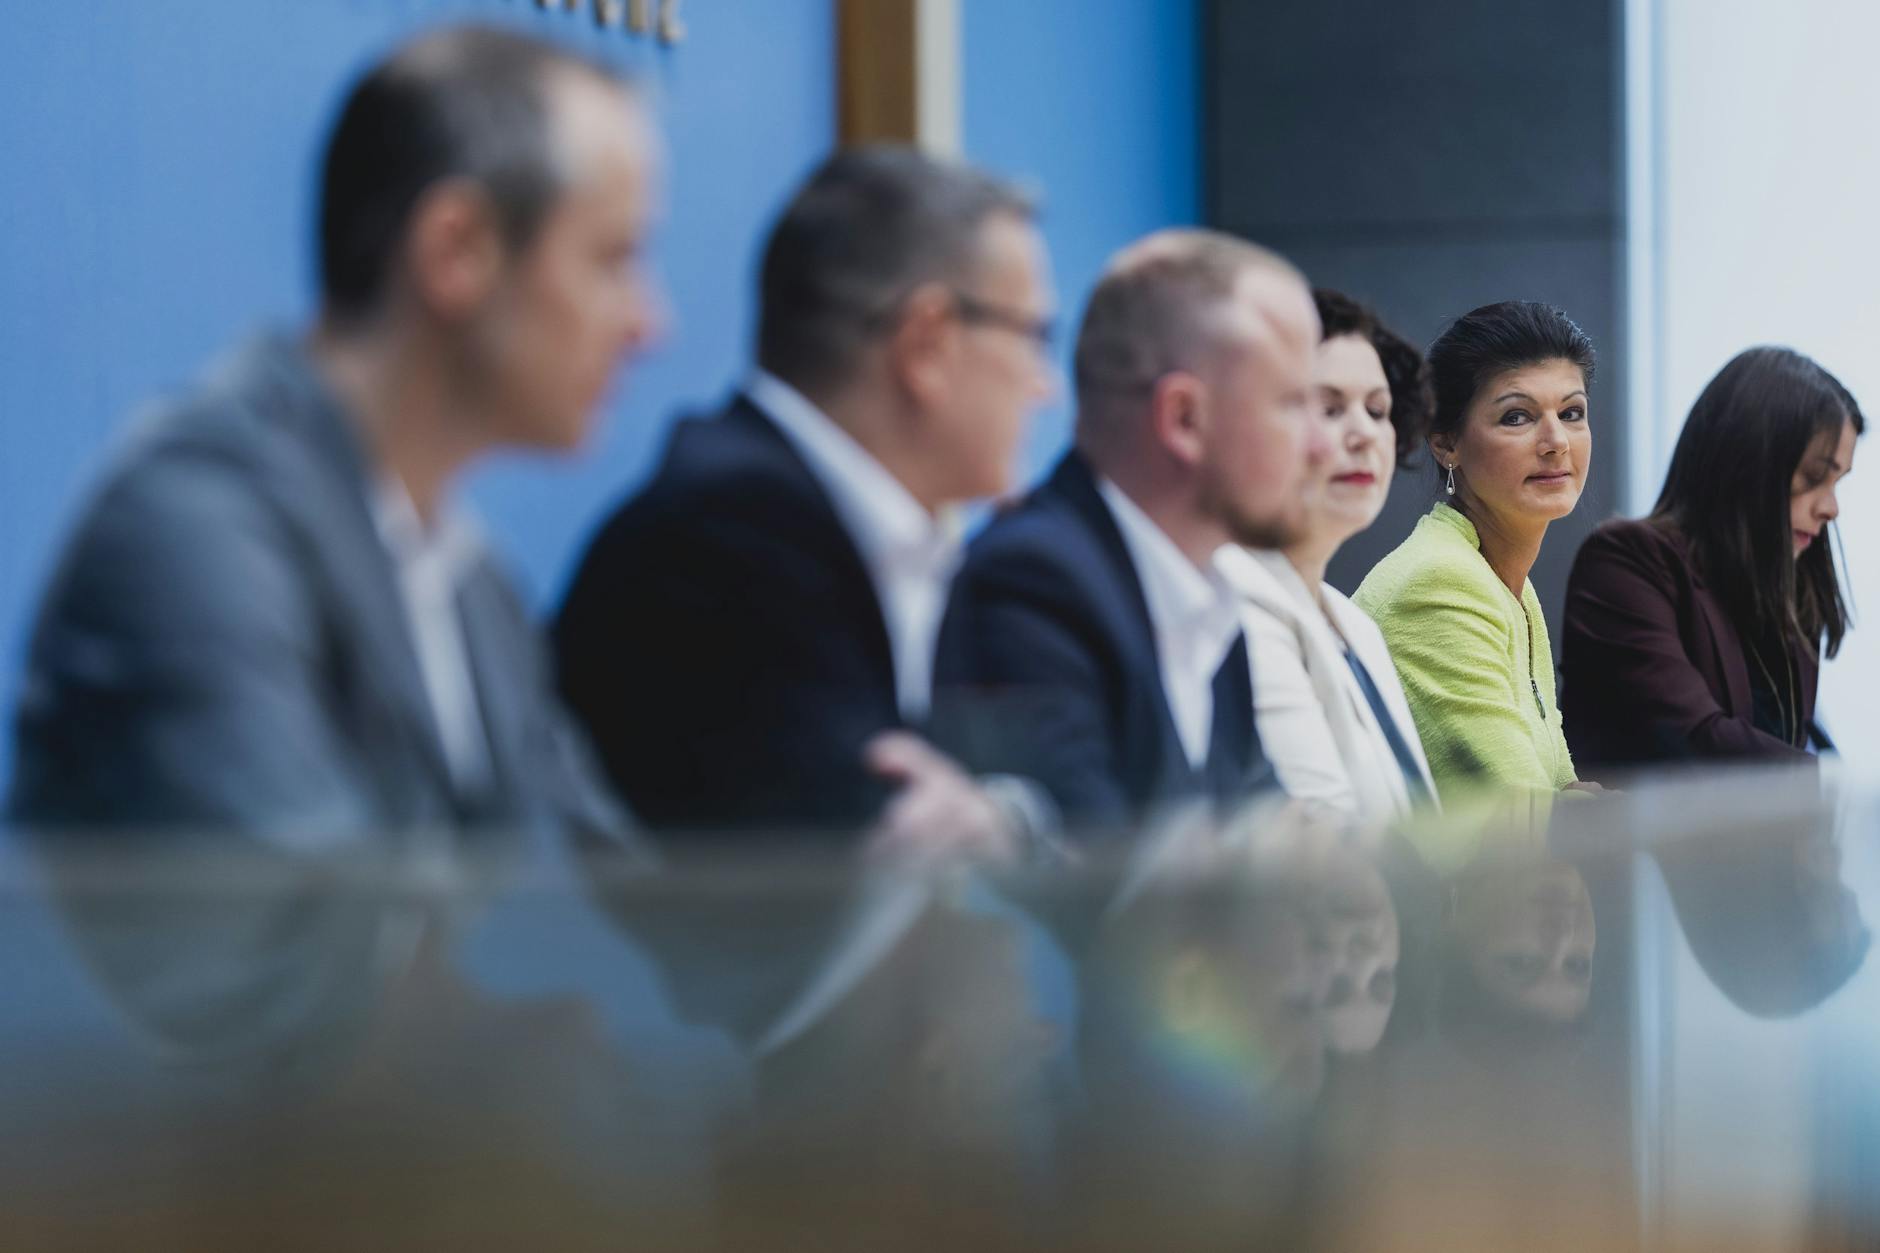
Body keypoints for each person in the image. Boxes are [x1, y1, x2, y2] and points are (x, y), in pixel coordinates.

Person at [10, 25, 653, 852]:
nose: (648, 324)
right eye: (613, 259)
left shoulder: (473, 587)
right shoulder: (190, 528)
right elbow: (297, 950)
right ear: (456, 250)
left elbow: (607, 908)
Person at [553, 148, 1056, 858]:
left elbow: (1049, 789)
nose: (1046, 387)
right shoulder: (718, 542)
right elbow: (851, 884)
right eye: (1036, 338)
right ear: (927, 344)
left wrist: (1001, 816)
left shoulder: (893, 546)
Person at [932, 230, 1326, 838]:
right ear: (1184, 420)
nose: (1320, 446)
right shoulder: (1031, 584)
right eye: (1293, 403)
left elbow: (1276, 839)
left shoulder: (1211, 599)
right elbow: (1099, 901)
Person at [1561, 346, 1862, 770]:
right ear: (1748, 463)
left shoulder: (1790, 581)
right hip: (1646, 837)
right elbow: (1696, 739)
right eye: (1815, 477)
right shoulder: (1625, 561)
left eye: (1837, 482)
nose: (1831, 507)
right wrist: (1834, 786)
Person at [1353, 301, 1596, 802]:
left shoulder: (1511, 586)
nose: (1556, 442)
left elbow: (1562, 788)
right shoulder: (1440, 581)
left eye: (1571, 413)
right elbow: (1527, 818)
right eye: (1517, 417)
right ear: (1445, 443)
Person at [1218, 289, 1436, 823]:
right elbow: (1329, 847)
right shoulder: (1234, 601)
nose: (1363, 433)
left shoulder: (1355, 623)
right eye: (1330, 408)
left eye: (1377, 410)